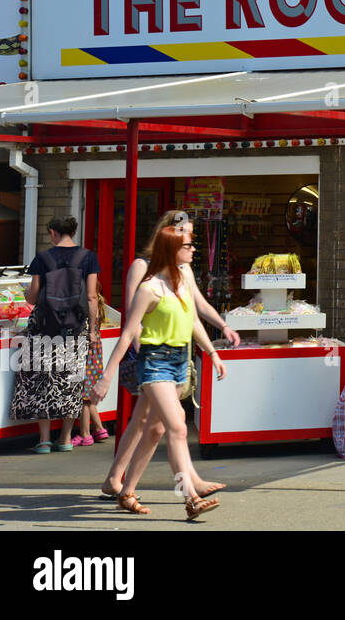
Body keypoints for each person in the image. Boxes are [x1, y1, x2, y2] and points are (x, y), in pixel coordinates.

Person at [99, 210, 238, 499]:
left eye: (190, 235)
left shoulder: (183, 271)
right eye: (185, 234)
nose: (191, 240)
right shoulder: (143, 268)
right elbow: (132, 317)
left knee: (152, 424)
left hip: (174, 354)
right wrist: (143, 350)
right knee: (166, 424)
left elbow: (197, 309)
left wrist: (221, 328)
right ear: (170, 235)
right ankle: (189, 485)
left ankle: (119, 483)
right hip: (150, 353)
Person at [12, 217, 100, 453]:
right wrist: (92, 330)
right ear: (74, 231)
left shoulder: (43, 258)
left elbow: (32, 298)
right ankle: (66, 438)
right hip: (75, 329)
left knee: (43, 380)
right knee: (71, 381)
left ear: (52, 232)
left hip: (44, 328)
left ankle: (43, 440)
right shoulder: (88, 257)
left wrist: (25, 293)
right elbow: (92, 297)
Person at [71, 287, 109, 446]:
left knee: (84, 397)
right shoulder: (99, 303)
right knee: (88, 395)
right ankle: (100, 429)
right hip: (95, 356)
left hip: (85, 354)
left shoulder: (85, 308)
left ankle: (85, 434)